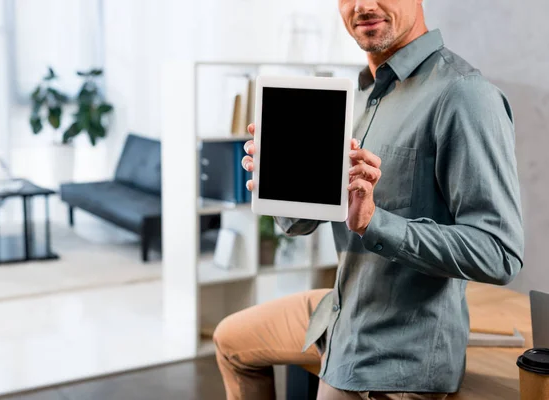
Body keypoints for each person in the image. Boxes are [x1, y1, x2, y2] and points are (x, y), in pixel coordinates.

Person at [213, 0, 524, 398]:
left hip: (392, 359)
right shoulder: (355, 95)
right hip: (341, 311)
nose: (362, 5)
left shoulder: (464, 95)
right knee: (230, 340)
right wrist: (279, 180)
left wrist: (374, 222)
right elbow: (298, 224)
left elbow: (500, 253)